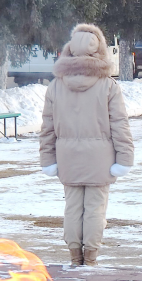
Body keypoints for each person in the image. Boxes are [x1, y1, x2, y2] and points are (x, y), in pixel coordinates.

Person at [39, 23, 134, 266]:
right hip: (100, 161)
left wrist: (48, 159)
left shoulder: (55, 86)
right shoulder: (109, 86)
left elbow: (47, 128)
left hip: (67, 158)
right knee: (94, 209)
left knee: (72, 208)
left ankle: (74, 256)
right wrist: (124, 159)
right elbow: (119, 125)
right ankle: (90, 258)